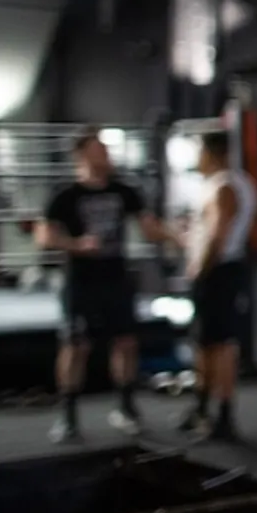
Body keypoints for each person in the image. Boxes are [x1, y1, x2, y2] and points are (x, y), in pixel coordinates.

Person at [36, 130, 178, 443]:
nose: (105, 155)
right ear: (82, 156)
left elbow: (149, 228)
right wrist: (76, 245)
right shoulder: (67, 196)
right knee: (76, 346)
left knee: (126, 342)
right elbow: (44, 235)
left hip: (115, 277)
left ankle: (126, 408)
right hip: (80, 280)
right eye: (98, 149)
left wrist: (180, 237)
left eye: (106, 149)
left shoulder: (124, 191)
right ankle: (68, 416)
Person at [177, 131, 257, 441]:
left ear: (212, 153)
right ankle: (201, 409)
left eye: (200, 152)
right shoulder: (222, 184)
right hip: (218, 272)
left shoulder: (225, 187)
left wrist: (201, 268)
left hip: (219, 273)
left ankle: (222, 417)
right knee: (206, 344)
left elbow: (218, 235)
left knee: (221, 346)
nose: (197, 159)